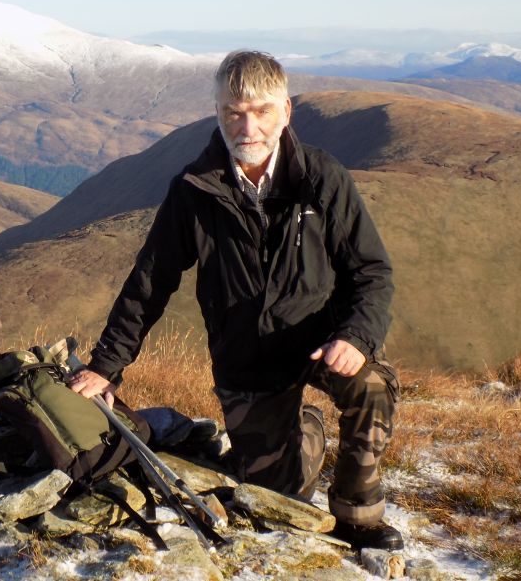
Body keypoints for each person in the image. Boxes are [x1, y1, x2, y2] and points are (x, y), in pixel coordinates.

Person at [69, 50, 402, 550]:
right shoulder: (195, 190)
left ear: (285, 111)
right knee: (278, 500)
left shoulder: (321, 178)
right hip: (247, 359)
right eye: (233, 111)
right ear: (219, 113)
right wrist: (106, 367)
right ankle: (304, 429)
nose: (247, 125)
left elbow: (370, 272)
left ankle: (358, 513)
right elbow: (150, 281)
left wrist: (355, 336)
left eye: (261, 110)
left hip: (321, 340)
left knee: (372, 385)